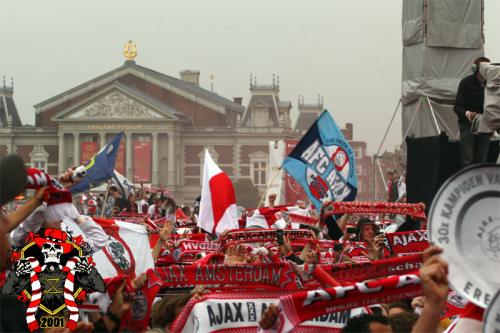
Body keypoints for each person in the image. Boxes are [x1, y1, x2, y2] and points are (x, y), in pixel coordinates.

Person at [454, 56, 491, 167]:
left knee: (482, 159)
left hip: (484, 125)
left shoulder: (492, 84)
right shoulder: (465, 83)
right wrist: (468, 113)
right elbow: (457, 107)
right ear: (476, 69)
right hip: (467, 124)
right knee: (467, 160)